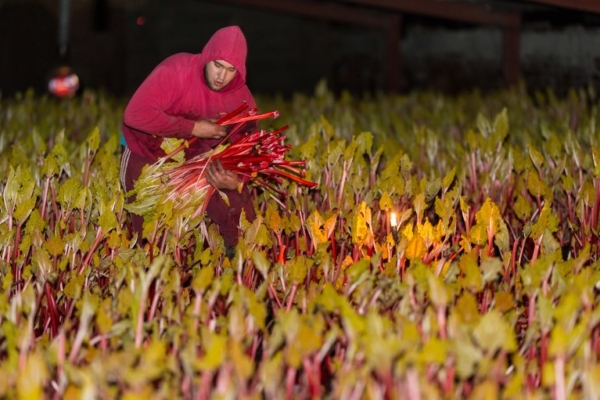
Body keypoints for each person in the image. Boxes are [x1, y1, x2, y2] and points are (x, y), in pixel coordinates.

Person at [120, 25, 257, 253]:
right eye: (217, 65)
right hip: (146, 149)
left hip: (197, 159)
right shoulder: (176, 71)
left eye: (231, 69)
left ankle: (236, 267)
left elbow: (250, 146)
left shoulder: (242, 99)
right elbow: (134, 115)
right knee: (149, 231)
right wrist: (193, 128)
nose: (221, 76)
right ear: (207, 58)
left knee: (242, 218)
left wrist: (236, 181)